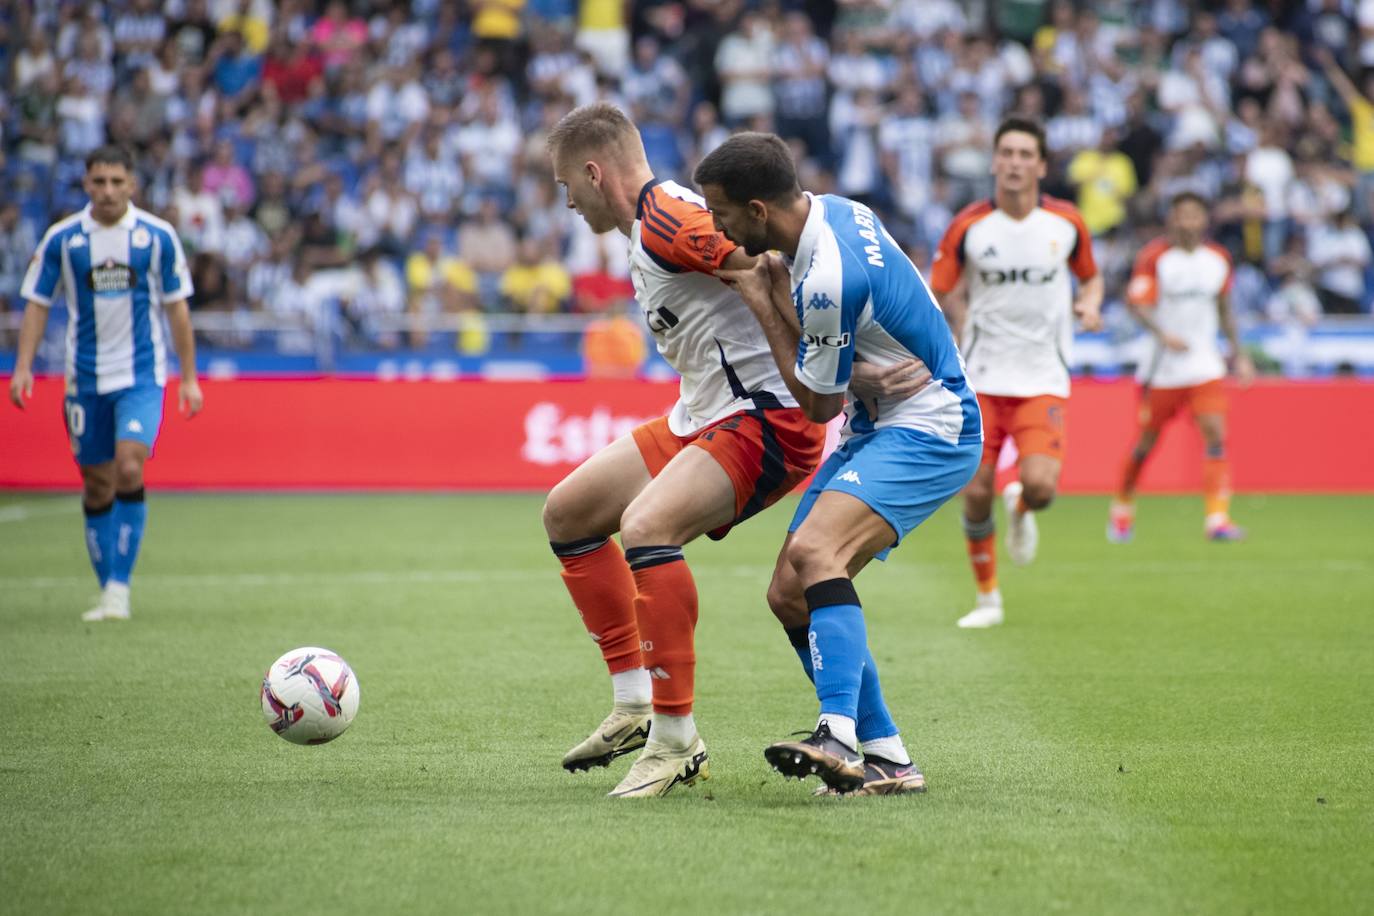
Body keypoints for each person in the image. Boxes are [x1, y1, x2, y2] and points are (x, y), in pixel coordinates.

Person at [541, 104, 828, 799]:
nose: (568, 203)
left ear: (592, 171)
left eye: (565, 187)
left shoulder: (668, 217)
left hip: (766, 418)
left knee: (646, 528)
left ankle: (675, 740)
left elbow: (765, 265)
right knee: (569, 514)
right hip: (703, 413)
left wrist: (809, 376)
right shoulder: (649, 222)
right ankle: (636, 705)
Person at [697, 132, 982, 795]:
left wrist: (760, 300)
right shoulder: (833, 213)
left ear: (760, 210)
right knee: (787, 592)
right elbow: (837, 374)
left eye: (722, 212)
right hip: (879, 423)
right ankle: (886, 755)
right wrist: (854, 374)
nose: (717, 225)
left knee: (818, 551)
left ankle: (837, 735)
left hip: (931, 426)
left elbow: (816, 405)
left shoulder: (825, 275)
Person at [9, 145, 203, 621]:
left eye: (118, 182)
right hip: (85, 378)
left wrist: (190, 378)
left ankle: (119, 588)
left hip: (140, 375)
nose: (109, 191)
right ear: (86, 184)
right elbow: (37, 302)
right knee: (97, 485)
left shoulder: (157, 237)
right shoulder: (63, 240)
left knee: (130, 467)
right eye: (100, 182)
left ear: (132, 185)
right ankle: (106, 587)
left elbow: (177, 307)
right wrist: (23, 366)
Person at [928, 117, 1104, 629]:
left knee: (1043, 488)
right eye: (1006, 152)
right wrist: (958, 324)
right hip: (981, 377)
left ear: (1042, 166)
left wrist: (1090, 306)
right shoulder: (969, 226)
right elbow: (940, 288)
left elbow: (1091, 280)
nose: (1015, 162)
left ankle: (1023, 507)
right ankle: (988, 600)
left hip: (1043, 377)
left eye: (1026, 154)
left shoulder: (1067, 224)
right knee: (975, 491)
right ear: (993, 161)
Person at [1108, 192, 1254, 543]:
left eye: (1194, 215)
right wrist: (1163, 334)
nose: (1187, 222)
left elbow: (1224, 310)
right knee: (1145, 444)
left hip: (1204, 364)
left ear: (1204, 220)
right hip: (1162, 369)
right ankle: (1123, 506)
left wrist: (1240, 353)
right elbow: (1137, 304)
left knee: (1216, 435)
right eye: (1181, 215)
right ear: (1172, 219)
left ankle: (1217, 519)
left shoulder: (1218, 259)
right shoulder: (1155, 257)